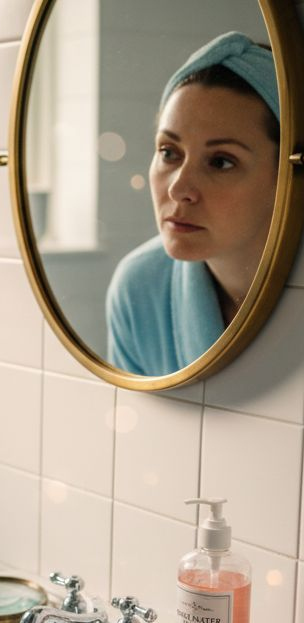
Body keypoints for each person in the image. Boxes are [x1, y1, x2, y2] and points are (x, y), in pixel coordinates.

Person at [106, 32, 279, 376]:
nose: (179, 189)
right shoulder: (140, 287)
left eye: (221, 162)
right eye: (169, 153)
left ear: (288, 176)